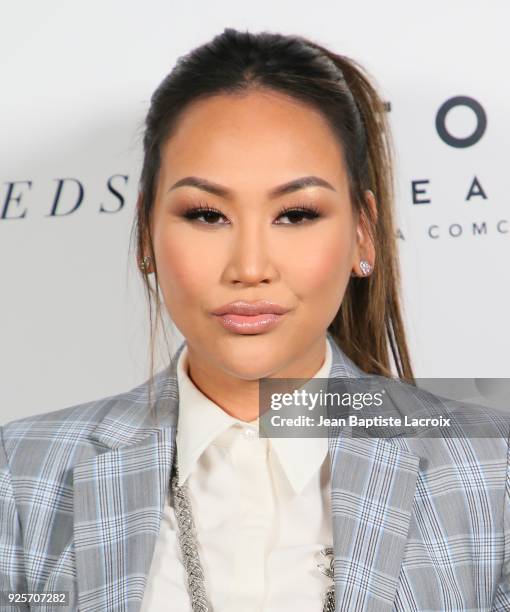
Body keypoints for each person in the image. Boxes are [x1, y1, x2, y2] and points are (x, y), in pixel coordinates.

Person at [1, 28, 509, 612]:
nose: (249, 267)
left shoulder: (493, 472)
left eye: (295, 214)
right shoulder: (20, 475)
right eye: (206, 214)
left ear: (362, 232)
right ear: (146, 232)